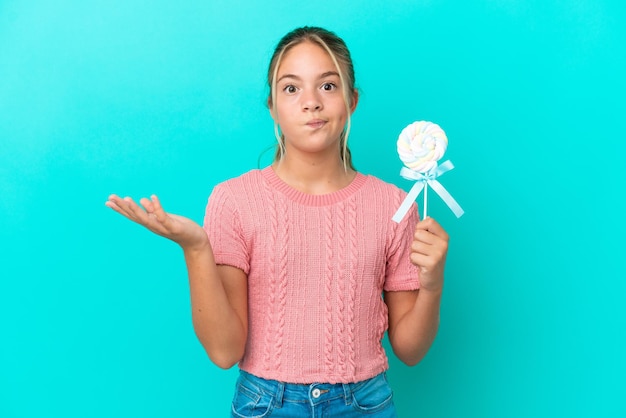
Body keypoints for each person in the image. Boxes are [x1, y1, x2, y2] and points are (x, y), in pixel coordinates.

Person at [106, 26, 449, 417]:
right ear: (272, 106)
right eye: (291, 88)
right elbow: (224, 351)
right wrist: (196, 248)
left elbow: (410, 349)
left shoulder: (394, 205)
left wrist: (433, 284)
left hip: (365, 403)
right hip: (266, 404)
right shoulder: (234, 200)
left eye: (328, 86)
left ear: (352, 100)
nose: (310, 103)